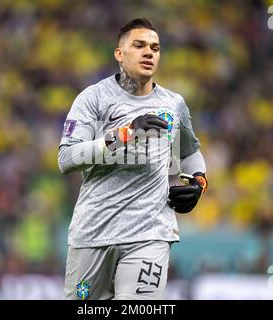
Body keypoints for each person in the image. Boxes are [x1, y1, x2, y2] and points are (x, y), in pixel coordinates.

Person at [58, 17, 208, 300]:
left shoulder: (173, 104)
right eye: (139, 45)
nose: (149, 52)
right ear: (119, 53)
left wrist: (199, 181)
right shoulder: (94, 99)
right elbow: (67, 158)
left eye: (155, 47)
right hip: (93, 233)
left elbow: (189, 152)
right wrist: (124, 134)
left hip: (150, 233)